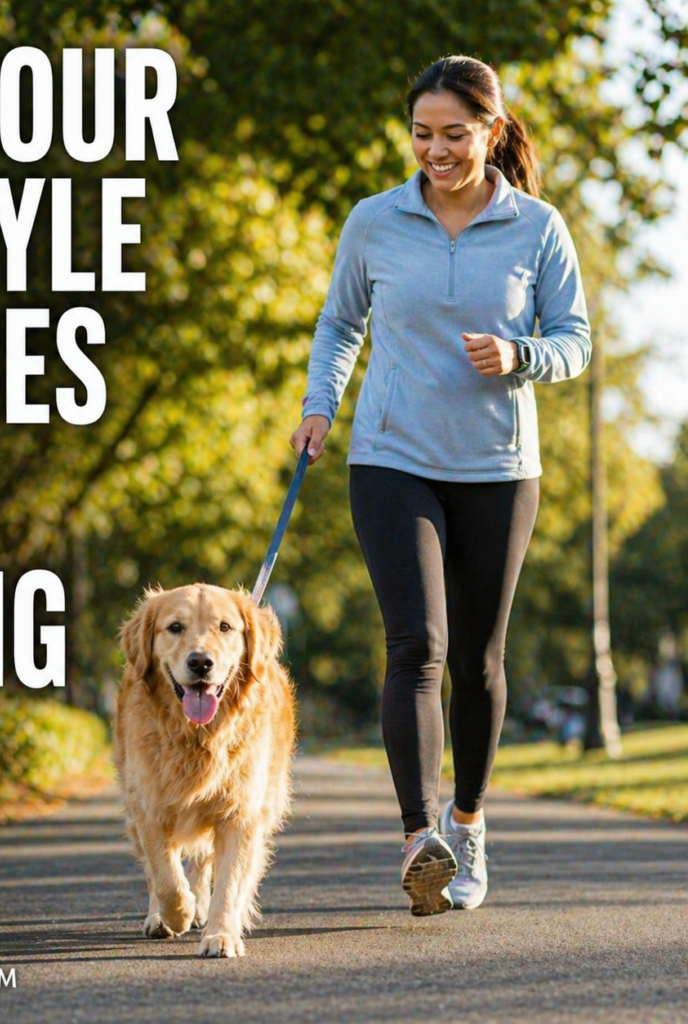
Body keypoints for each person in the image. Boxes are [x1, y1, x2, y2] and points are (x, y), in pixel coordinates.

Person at [290, 55, 591, 916]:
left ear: (491, 131)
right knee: (416, 643)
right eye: (422, 135)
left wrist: (523, 355)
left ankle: (468, 824)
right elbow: (340, 321)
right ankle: (420, 838)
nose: (436, 151)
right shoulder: (375, 221)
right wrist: (320, 406)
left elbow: (575, 339)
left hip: (499, 468)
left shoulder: (537, 227)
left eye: (454, 135)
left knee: (479, 660)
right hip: (391, 456)